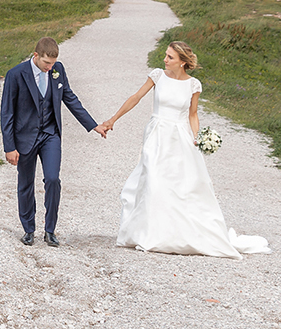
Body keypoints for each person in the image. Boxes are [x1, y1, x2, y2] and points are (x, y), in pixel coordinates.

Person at [98, 41, 270, 258]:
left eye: (170, 57)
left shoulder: (193, 85)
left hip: (180, 137)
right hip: (157, 133)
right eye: (166, 55)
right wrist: (113, 119)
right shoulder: (158, 76)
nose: (165, 59)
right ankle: (149, 232)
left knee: (180, 184)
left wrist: (197, 138)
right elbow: (136, 97)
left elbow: (192, 114)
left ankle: (176, 232)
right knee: (153, 177)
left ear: (182, 62)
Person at [0, 37, 108, 247]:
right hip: (24, 137)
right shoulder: (15, 75)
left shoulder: (58, 70)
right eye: (46, 64)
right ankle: (28, 229)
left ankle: (50, 230)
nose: (50, 68)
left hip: (50, 134)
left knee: (52, 179)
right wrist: (9, 146)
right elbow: (7, 113)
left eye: (52, 64)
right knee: (25, 183)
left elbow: (69, 97)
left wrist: (93, 125)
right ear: (36, 56)